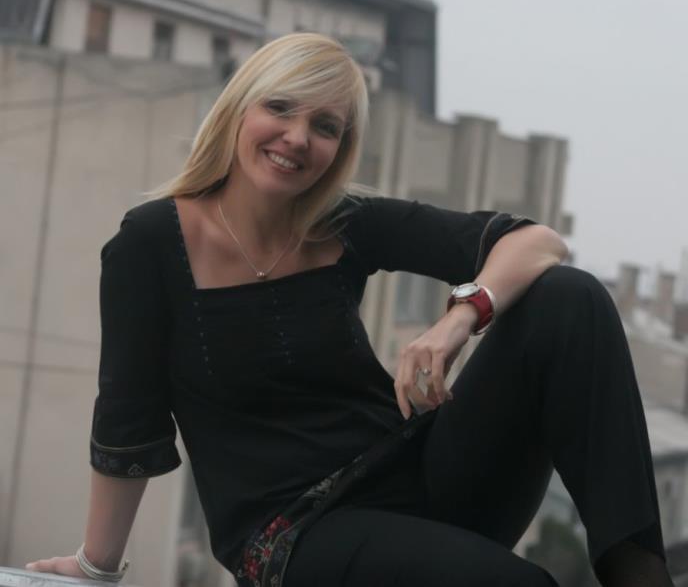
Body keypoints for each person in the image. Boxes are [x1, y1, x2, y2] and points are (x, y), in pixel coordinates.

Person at [26, 33, 673, 587]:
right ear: (238, 109)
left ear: (341, 145)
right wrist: (97, 566)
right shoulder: (150, 244)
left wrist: (461, 316)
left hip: (420, 478)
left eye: (326, 126)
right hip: (296, 532)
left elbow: (539, 242)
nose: (297, 137)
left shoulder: (342, 223)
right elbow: (129, 420)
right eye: (280, 108)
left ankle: (639, 575)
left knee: (569, 298)